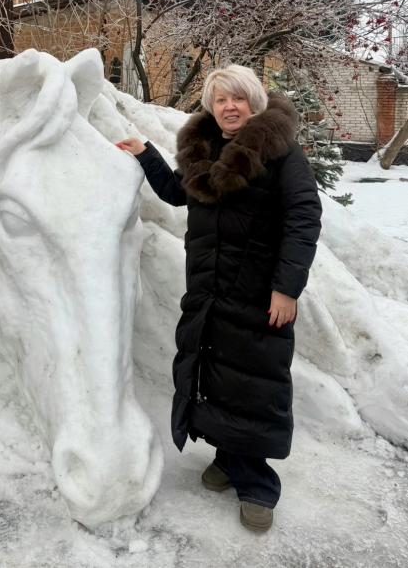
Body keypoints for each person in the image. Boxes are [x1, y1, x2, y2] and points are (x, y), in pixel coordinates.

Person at [118, 64, 321, 533]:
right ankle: (230, 458)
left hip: (257, 292)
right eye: (221, 100)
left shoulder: (280, 152)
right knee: (218, 375)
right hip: (209, 287)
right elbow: (177, 193)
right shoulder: (205, 148)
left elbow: (303, 218)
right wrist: (146, 153)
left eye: (239, 99)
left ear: (255, 102)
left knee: (253, 382)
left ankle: (258, 485)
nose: (230, 107)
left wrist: (287, 288)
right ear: (211, 106)